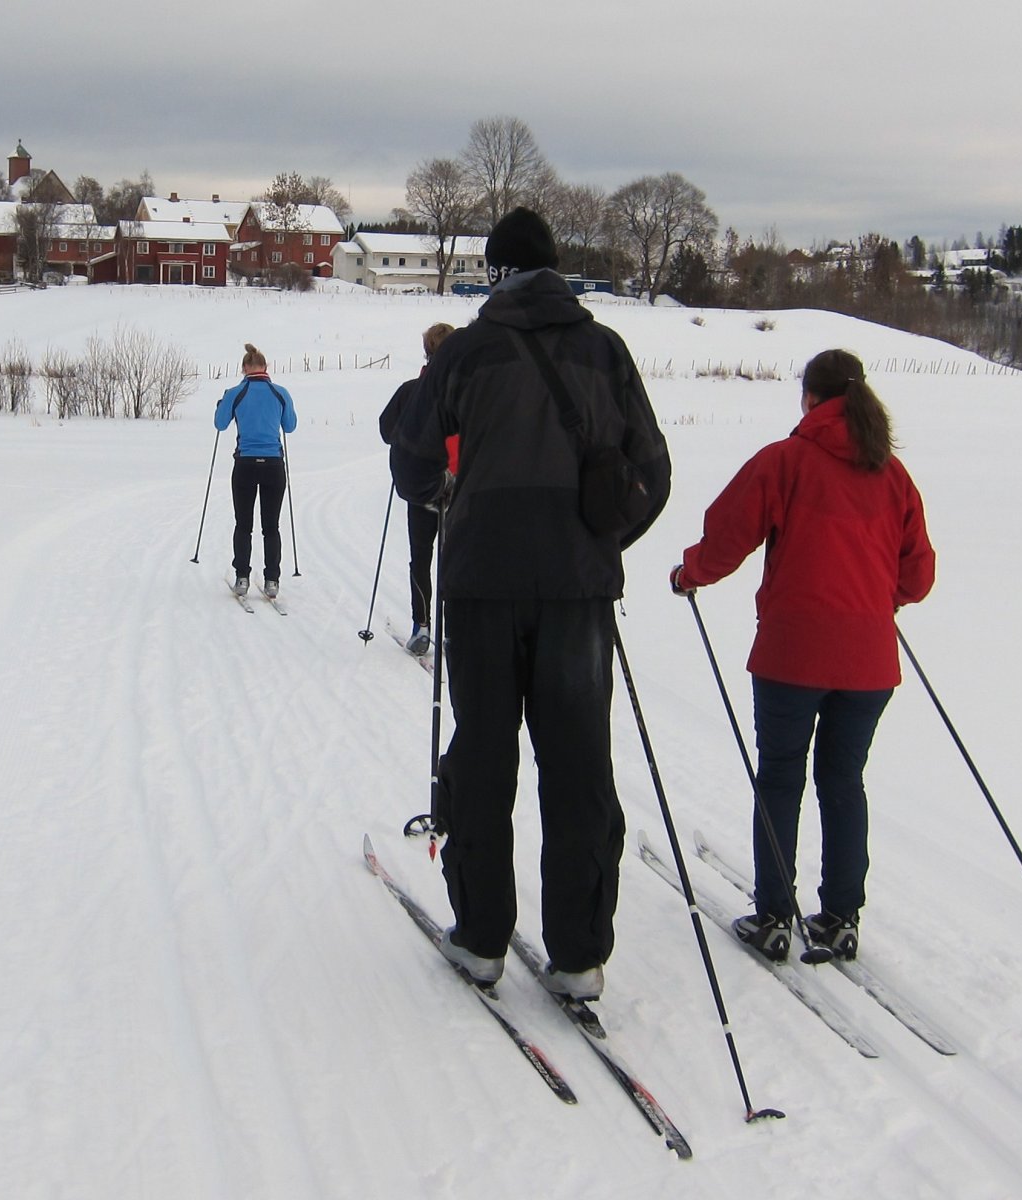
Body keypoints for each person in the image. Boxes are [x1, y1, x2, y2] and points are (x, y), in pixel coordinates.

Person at [391, 207, 671, 999]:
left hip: (482, 584)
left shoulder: (470, 351)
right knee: (578, 763)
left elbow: (411, 462)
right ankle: (579, 956)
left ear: (499, 271)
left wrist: (450, 494)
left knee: (483, 755)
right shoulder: (604, 349)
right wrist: (600, 543)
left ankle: (482, 940)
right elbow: (653, 471)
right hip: (578, 595)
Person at [671, 348, 935, 962]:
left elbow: (727, 535)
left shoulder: (785, 461)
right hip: (869, 662)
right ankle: (842, 917)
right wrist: (874, 599)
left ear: (811, 400)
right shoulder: (891, 475)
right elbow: (917, 577)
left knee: (782, 778)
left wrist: (689, 574)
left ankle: (773, 917)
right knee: (843, 780)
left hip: (793, 656)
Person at [378, 322, 458, 655]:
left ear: (426, 351)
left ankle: (421, 626)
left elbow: (386, 430)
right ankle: (456, 629)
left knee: (421, 559)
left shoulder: (411, 390)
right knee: (457, 561)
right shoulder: (467, 393)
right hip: (462, 494)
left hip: (423, 491)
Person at [214, 344, 297, 597]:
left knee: (244, 524)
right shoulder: (280, 392)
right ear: (266, 367)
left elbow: (220, 424)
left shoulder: (235, 392)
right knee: (271, 526)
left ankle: (242, 577)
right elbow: (290, 426)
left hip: (245, 465)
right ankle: (272, 580)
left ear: (244, 368)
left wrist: (222, 404)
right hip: (273, 465)